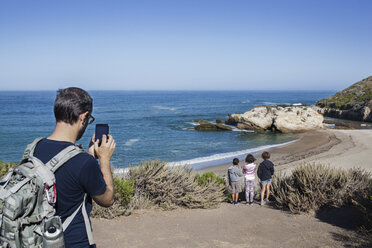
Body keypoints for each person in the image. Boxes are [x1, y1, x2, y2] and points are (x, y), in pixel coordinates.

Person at [33, 87, 116, 248]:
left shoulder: (34, 148)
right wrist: (104, 159)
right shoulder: (83, 162)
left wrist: (90, 156)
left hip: (39, 240)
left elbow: (67, 176)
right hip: (72, 242)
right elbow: (107, 199)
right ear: (83, 117)